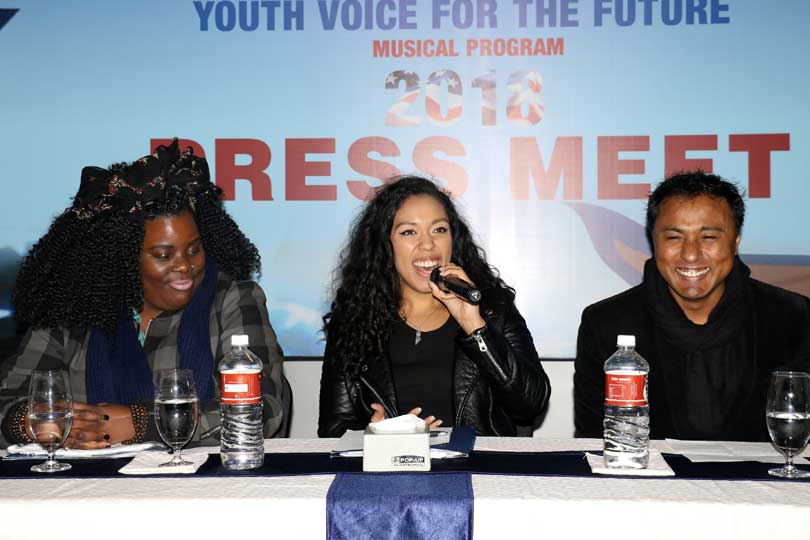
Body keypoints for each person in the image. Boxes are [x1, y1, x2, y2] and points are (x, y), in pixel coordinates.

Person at [0, 139, 287, 448]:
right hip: (86, 479)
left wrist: (142, 423)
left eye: (194, 249)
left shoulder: (232, 299)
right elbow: (7, 398)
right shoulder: (74, 306)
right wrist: (31, 423)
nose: (185, 266)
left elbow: (263, 411)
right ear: (122, 258)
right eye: (163, 255)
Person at [574, 171, 810, 441]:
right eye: (674, 238)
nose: (690, 254)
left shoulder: (791, 317)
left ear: (735, 243)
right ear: (654, 242)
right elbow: (594, 438)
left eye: (708, 237)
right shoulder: (606, 323)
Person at [318, 176, 550, 437]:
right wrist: (374, 436)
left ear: (453, 238)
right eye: (409, 232)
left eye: (439, 230)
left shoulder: (493, 307)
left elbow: (530, 404)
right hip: (390, 462)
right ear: (384, 244)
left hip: (478, 460)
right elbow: (333, 428)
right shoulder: (354, 319)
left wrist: (475, 326)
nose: (428, 244)